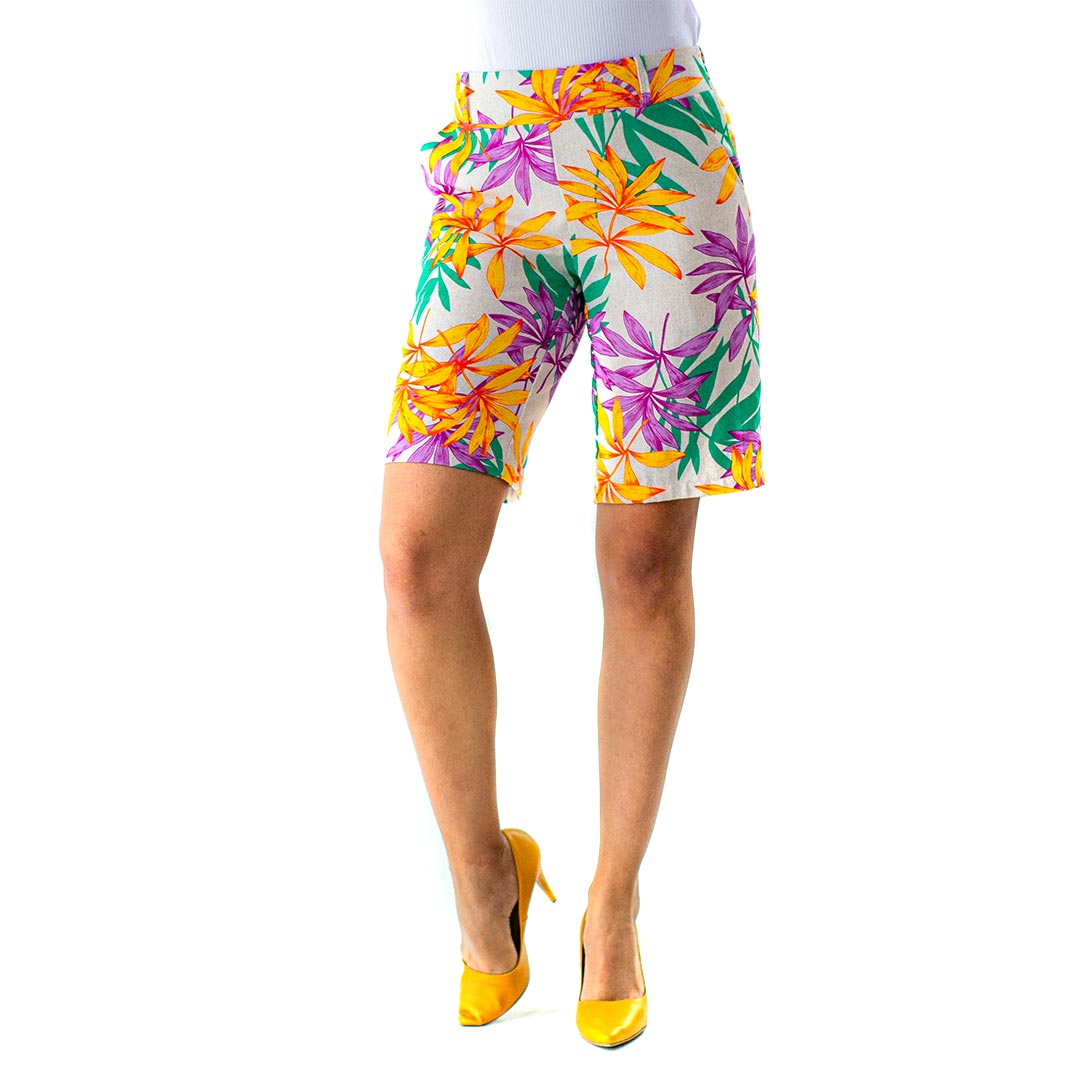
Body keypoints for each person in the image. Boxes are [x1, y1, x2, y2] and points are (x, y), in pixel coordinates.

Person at [379, 0, 764, 1047]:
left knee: (643, 560)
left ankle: (614, 903)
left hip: (658, 144)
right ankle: (483, 877)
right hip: (494, 161)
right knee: (417, 558)